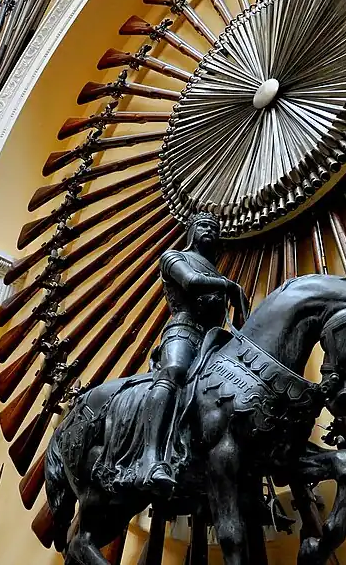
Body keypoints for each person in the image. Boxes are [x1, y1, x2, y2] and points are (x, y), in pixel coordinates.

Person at [98, 212, 249, 496]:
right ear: (191, 231)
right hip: (184, 330)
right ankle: (150, 457)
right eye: (204, 226)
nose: (210, 232)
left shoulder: (215, 271)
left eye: (214, 229)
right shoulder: (173, 256)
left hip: (214, 340)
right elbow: (190, 282)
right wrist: (228, 285)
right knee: (175, 371)